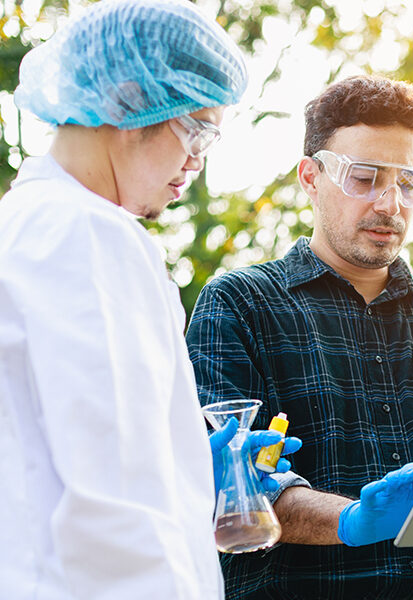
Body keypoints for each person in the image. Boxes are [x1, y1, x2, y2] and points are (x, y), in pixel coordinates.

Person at [185, 74, 413, 600]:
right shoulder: (240, 304)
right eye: (365, 177)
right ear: (310, 178)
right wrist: (353, 520)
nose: (390, 204)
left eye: (408, 182)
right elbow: (228, 488)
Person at [0, 1, 299, 598]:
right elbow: (113, 507)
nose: (198, 158)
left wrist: (184, 462)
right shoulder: (89, 233)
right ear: (132, 103)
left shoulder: (29, 224)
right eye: (198, 128)